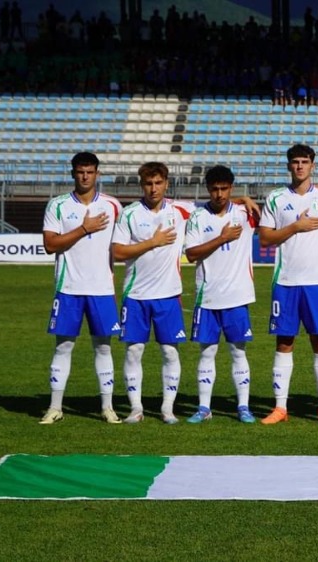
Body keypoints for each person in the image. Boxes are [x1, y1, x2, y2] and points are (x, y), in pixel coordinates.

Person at [259, 144, 318, 425]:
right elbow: (265, 238)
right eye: (295, 162)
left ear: (313, 165)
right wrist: (294, 228)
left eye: (304, 162)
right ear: (289, 166)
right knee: (284, 341)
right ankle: (280, 408)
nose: (299, 166)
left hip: (317, 281)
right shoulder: (275, 198)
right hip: (285, 281)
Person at [39, 152, 123, 424]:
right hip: (68, 289)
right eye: (80, 171)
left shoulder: (113, 206)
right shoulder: (58, 205)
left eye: (89, 171)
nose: (85, 176)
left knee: (103, 348)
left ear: (98, 173)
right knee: (63, 346)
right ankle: (55, 407)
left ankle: (107, 407)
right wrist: (84, 229)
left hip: (101, 289)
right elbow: (51, 244)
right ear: (73, 173)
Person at [111, 162, 191, 424]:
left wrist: (242, 200)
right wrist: (152, 243)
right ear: (141, 185)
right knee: (134, 351)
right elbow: (118, 252)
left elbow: (216, 206)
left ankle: (167, 408)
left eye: (158, 183)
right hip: (136, 295)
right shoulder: (129, 214)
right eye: (148, 183)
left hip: (168, 295)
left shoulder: (181, 211)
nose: (153, 188)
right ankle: (136, 409)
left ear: (167, 183)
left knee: (170, 352)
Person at [182, 166, 258, 423]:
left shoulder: (245, 213)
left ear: (231, 188)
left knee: (238, 352)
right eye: (214, 189)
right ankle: (204, 408)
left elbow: (272, 223)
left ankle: (243, 407)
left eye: (224, 189)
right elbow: (191, 254)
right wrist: (221, 237)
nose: (219, 194)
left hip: (237, 297)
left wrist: (246, 200)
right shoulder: (197, 218)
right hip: (207, 297)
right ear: (207, 189)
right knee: (207, 352)